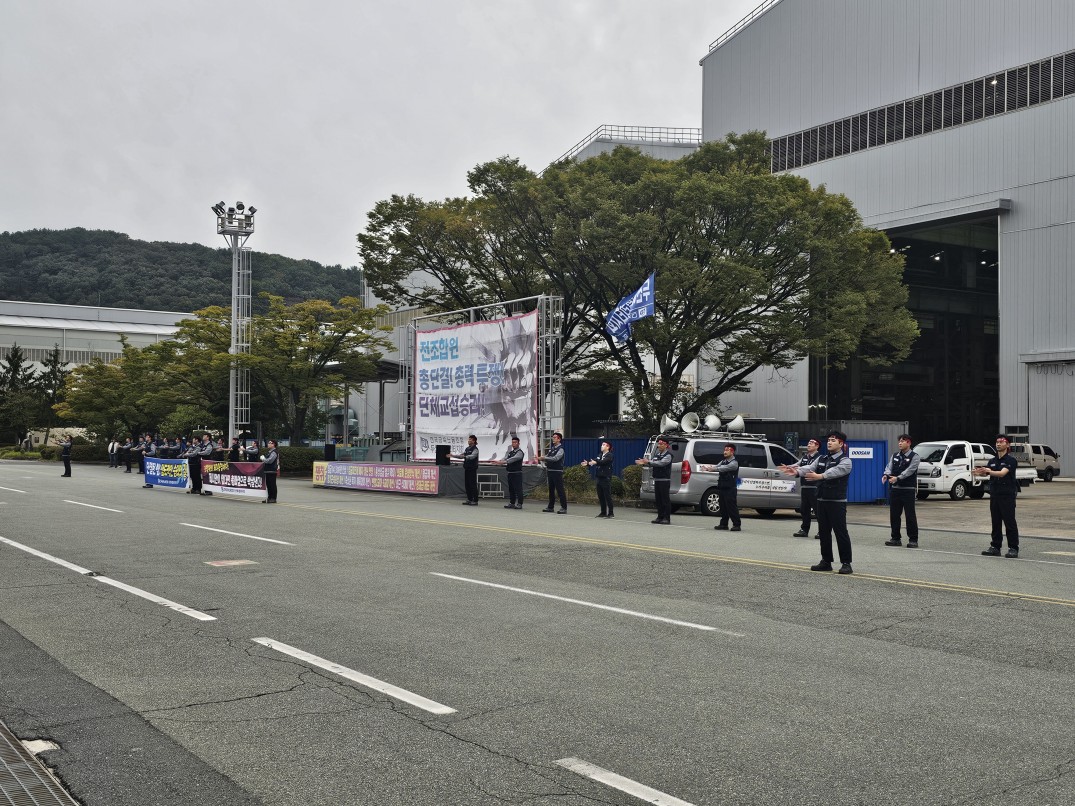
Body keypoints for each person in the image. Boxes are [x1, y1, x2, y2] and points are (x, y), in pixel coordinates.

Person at [782, 430, 854, 574]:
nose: (829, 442)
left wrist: (821, 476)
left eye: (833, 440)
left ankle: (846, 563)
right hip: (821, 499)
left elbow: (836, 472)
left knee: (841, 533)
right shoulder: (822, 458)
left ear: (841, 444)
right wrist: (796, 471)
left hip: (836, 501)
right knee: (824, 532)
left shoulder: (845, 461)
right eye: (829, 440)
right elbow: (809, 468)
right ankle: (826, 561)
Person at [974, 434, 1020, 558]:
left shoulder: (1010, 460)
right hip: (995, 495)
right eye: (997, 442)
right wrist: (979, 472)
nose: (998, 444)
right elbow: (988, 473)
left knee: (1009, 522)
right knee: (996, 522)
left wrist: (988, 471)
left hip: (1007, 496)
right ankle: (995, 547)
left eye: (1001, 441)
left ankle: (1013, 548)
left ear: (1007, 444)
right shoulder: (992, 461)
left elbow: (1001, 473)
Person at [883, 434, 921, 548]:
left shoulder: (915, 457)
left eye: (902, 441)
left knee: (910, 515)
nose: (900, 443)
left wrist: (897, 478)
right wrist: (886, 475)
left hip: (908, 490)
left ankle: (913, 539)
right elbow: (889, 467)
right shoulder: (895, 455)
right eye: (899, 441)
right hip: (895, 490)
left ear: (909, 443)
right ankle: (895, 538)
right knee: (894, 515)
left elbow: (910, 471)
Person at [637, 435, 673, 524]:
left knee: (665, 500)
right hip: (657, 479)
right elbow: (653, 463)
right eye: (658, 444)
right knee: (658, 500)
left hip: (664, 480)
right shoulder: (657, 455)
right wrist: (643, 462)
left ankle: (666, 518)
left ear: (666, 445)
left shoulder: (668, 455)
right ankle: (660, 517)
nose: (659, 446)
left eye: (661, 444)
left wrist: (648, 461)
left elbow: (661, 463)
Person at [793, 438, 821, 537]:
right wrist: (788, 467)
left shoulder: (819, 458)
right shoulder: (804, 457)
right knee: (804, 510)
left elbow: (807, 469)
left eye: (811, 443)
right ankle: (804, 530)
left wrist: (798, 469)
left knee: (817, 511)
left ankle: (822, 531)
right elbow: (796, 465)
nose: (808, 445)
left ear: (817, 446)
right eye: (808, 443)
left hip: (814, 488)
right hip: (804, 487)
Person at [709, 443, 741, 532]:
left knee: (731, 507)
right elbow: (717, 466)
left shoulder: (734, 463)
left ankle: (736, 524)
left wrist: (714, 469)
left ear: (732, 452)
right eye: (724, 450)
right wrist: (708, 468)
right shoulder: (723, 461)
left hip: (730, 488)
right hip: (722, 486)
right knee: (723, 506)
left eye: (727, 450)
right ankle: (724, 524)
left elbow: (724, 468)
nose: (725, 452)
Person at [583, 441, 615, 518]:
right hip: (599, 477)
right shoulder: (600, 455)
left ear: (608, 447)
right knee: (601, 496)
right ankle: (603, 512)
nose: (601, 446)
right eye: (601, 445)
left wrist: (595, 462)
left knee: (607, 496)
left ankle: (611, 513)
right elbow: (595, 461)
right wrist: (588, 463)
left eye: (603, 445)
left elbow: (603, 462)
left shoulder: (610, 455)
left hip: (606, 478)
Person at [539, 431, 567, 514]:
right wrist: (541, 458)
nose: (553, 439)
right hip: (550, 471)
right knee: (551, 490)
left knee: (560, 490)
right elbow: (547, 457)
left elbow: (555, 458)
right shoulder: (552, 449)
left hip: (557, 472)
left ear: (559, 439)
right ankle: (550, 507)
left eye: (555, 437)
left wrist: (544, 458)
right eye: (553, 437)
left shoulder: (561, 449)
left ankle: (564, 507)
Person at [453, 434, 480, 505]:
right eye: (468, 439)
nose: (468, 441)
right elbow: (461, 456)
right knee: (467, 484)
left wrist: (465, 456)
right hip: (467, 468)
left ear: (474, 441)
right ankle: (469, 499)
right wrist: (453, 455)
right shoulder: (467, 449)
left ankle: (475, 500)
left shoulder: (475, 449)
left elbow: (472, 456)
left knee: (472, 484)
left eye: (470, 439)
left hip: (472, 469)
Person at [502, 435, 525, 509]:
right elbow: (505, 458)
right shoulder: (510, 452)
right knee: (511, 489)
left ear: (518, 443)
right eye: (512, 442)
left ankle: (519, 503)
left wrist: (505, 461)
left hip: (517, 473)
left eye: (515, 442)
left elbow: (514, 459)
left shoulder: (520, 452)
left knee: (518, 489)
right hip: (510, 473)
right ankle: (512, 503)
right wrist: (499, 461)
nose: (514, 444)